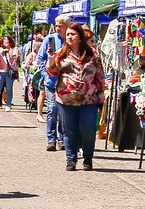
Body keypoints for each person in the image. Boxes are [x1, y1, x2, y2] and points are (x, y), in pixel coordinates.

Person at [49, 22, 107, 170]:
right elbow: (53, 72)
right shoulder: (61, 54)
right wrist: (50, 61)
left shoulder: (92, 54)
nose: (69, 37)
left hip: (89, 99)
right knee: (70, 130)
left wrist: (101, 93)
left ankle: (87, 158)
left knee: (88, 130)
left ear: (80, 37)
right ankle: (71, 159)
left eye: (72, 34)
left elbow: (99, 75)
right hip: (66, 99)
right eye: (67, 34)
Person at [39, 18, 68, 152]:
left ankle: (62, 139)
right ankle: (51, 140)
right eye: (56, 26)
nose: (57, 28)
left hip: (66, 84)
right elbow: (40, 58)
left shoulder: (71, 41)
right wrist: (45, 75)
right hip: (51, 83)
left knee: (63, 112)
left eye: (60, 26)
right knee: (51, 109)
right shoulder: (49, 39)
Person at [0, 36, 19, 110]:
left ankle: (8, 104)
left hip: (10, 72)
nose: (5, 42)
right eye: (4, 41)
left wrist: (9, 51)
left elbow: (14, 57)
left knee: (9, 88)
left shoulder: (14, 49)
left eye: (7, 41)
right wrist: (5, 50)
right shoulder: (2, 49)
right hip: (1, 71)